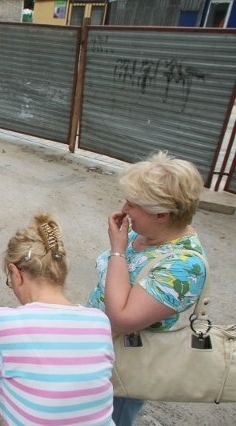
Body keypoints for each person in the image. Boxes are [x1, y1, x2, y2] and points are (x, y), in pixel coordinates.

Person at [86, 151, 208, 426]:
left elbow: (123, 318)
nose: (124, 209)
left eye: (133, 204)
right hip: (98, 352)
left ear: (161, 214)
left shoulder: (184, 265)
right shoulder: (147, 234)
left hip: (122, 367)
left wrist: (117, 250)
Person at [0, 213, 114, 425]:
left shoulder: (2, 324)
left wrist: (8, 382)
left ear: (16, 273)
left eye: (9, 280)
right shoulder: (100, 322)